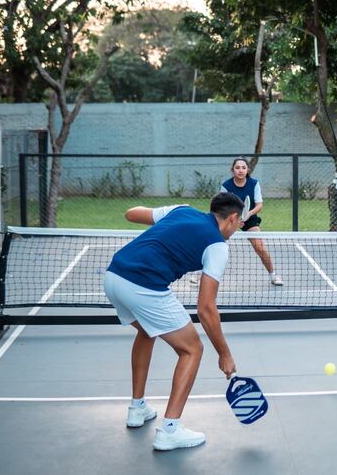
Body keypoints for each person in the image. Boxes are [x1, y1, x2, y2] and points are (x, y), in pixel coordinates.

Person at [104, 193, 244, 450]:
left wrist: (171, 233)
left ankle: (137, 409)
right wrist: (224, 354)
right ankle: (169, 430)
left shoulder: (181, 210)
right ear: (232, 218)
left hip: (113, 277)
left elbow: (131, 213)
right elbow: (206, 308)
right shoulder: (217, 246)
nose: (238, 227)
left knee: (147, 331)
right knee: (192, 349)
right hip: (143, 286)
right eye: (240, 222)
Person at [220, 156, 283, 286]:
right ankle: (201, 276)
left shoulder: (254, 184)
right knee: (215, 244)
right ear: (233, 170)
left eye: (243, 167)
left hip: (250, 218)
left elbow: (259, 205)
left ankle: (273, 275)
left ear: (248, 170)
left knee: (260, 247)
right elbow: (222, 207)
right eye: (237, 167)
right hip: (231, 219)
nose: (240, 170)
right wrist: (234, 219)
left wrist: (247, 214)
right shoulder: (226, 186)